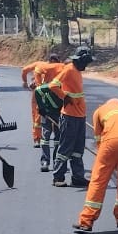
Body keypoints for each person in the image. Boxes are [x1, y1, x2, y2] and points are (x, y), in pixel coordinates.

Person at [72, 98, 118, 234]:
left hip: (111, 141)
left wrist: (106, 160)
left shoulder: (100, 111)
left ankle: (86, 221)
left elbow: (99, 140)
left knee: (98, 179)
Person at [40, 46, 92, 187]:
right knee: (65, 148)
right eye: (85, 62)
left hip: (80, 115)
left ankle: (77, 177)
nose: (86, 66)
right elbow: (53, 85)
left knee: (77, 150)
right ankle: (58, 177)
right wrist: (64, 97)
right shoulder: (69, 69)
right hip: (70, 116)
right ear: (80, 60)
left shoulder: (77, 71)